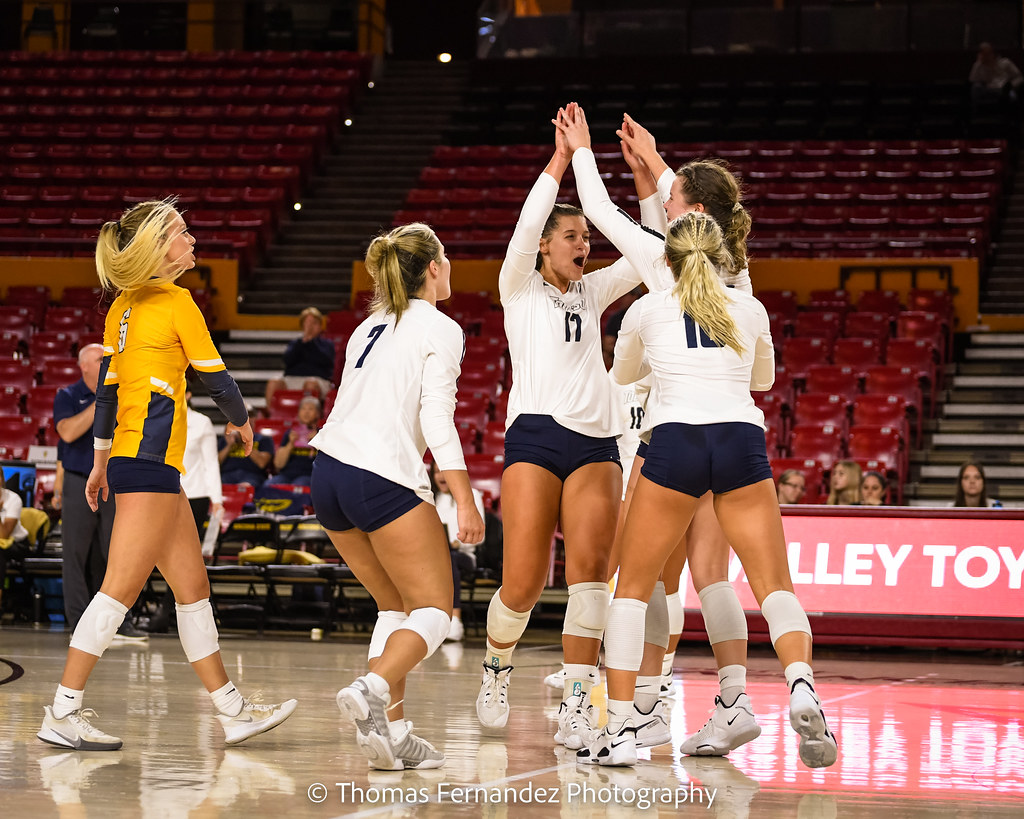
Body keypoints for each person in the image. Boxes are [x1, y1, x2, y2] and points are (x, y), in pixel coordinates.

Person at [37, 199, 297, 752]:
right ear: (159, 246)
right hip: (151, 463)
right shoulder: (179, 303)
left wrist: (102, 461)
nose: (192, 238)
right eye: (181, 231)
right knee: (117, 592)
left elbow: (108, 397)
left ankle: (231, 711)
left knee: (192, 587)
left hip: (141, 462)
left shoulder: (120, 310)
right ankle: (63, 710)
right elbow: (218, 380)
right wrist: (244, 425)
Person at [564, 107, 766, 758]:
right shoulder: (731, 266)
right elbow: (674, 217)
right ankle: (720, 698)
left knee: (640, 579)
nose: (660, 195)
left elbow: (614, 215)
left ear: (690, 210)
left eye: (671, 195)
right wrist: (653, 166)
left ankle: (632, 712)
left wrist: (582, 152)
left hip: (673, 436)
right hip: (730, 435)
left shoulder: (663, 268)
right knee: (707, 576)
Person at [475, 103, 667, 751]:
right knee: (524, 580)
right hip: (533, 437)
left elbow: (650, 258)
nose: (584, 244)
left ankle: (580, 706)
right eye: (573, 236)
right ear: (546, 247)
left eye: (588, 235)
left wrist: (643, 182)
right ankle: (498, 665)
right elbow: (528, 226)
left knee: (589, 574)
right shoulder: (518, 287)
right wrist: (560, 160)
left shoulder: (594, 290)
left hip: (596, 445)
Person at [309, 222, 484, 771]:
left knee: (395, 606)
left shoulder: (367, 327)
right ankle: (373, 687)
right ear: (432, 267)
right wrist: (465, 497)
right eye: (447, 257)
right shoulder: (442, 327)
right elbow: (436, 418)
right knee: (434, 608)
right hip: (379, 474)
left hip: (327, 474)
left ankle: (394, 735)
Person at [53, 343, 147, 643]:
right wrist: (102, 402)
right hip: (78, 480)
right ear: (84, 365)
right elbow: (67, 432)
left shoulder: (124, 394)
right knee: (75, 555)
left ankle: (121, 621)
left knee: (118, 552)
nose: (107, 362)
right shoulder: (68, 395)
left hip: (114, 483)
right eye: (99, 358)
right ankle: (80, 623)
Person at [147, 379, 224, 633]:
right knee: (162, 555)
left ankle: (168, 611)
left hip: (196, 496)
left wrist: (218, 500)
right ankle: (176, 610)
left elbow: (211, 463)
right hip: (164, 494)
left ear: (188, 394)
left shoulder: (201, 422)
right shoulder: (157, 419)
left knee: (185, 556)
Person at [429, 461, 486, 642]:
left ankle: (455, 619)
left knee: (450, 558)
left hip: (463, 555)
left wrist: (458, 543)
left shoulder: (472, 496)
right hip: (433, 556)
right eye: (437, 472)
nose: (441, 477)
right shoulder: (429, 498)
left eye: (445, 471)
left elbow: (480, 536)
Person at [264, 306, 335, 406]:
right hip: (293, 378)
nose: (310, 326)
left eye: (314, 323)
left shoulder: (326, 344)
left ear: (320, 326)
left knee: (310, 383)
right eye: (307, 323)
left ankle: (308, 417)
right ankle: (270, 416)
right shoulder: (295, 344)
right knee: (273, 382)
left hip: (317, 380)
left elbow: (325, 361)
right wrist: (303, 342)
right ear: (302, 326)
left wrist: (311, 342)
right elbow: (288, 361)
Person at [265, 395, 321, 487]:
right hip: (286, 475)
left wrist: (317, 442)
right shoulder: (291, 433)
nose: (306, 412)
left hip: (308, 475)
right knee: (269, 485)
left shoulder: (321, 434)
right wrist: (290, 444)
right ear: (299, 413)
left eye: (310, 409)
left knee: (298, 486)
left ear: (318, 413)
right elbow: (278, 464)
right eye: (303, 409)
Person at [218, 424, 274, 489]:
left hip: (252, 475)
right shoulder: (224, 441)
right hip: (227, 475)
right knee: (216, 486)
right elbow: (216, 463)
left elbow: (262, 463)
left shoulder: (263, 439)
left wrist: (244, 442)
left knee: (244, 488)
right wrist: (229, 446)